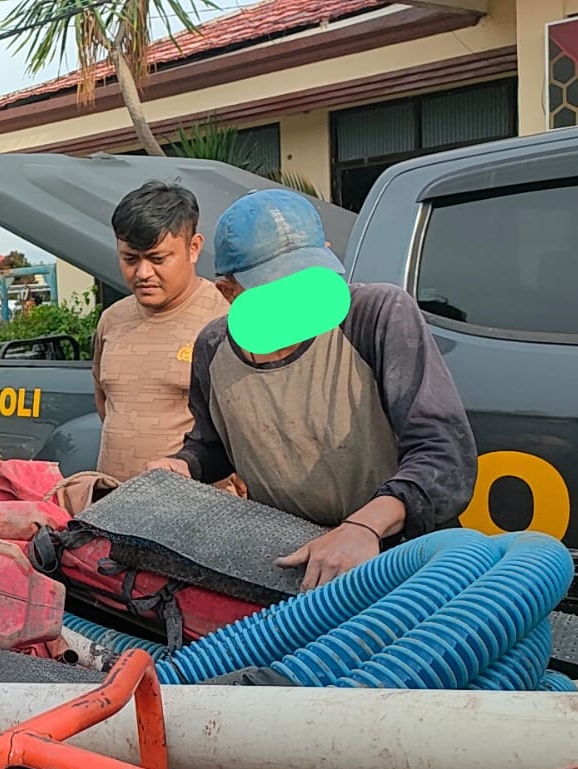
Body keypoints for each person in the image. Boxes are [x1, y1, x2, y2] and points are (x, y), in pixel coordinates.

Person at [149, 188, 476, 590]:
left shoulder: (376, 315)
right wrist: (184, 466)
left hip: (402, 554)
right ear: (228, 291)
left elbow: (444, 455)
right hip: (295, 562)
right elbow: (213, 446)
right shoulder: (213, 347)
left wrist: (364, 527)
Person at [92, 180, 232, 483]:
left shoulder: (225, 319)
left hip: (198, 504)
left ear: (193, 248)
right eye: (130, 259)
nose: (143, 273)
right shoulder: (111, 320)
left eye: (158, 259)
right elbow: (104, 402)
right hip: (112, 501)